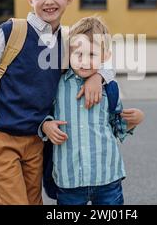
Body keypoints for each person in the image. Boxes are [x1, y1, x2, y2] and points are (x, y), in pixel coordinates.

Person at [0, 0, 115, 205]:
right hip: (1, 139)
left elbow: (104, 58)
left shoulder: (67, 39)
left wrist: (98, 76)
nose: (49, 1)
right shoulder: (11, 33)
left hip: (37, 143)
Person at [40, 16, 145, 205]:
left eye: (92, 55)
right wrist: (46, 125)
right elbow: (42, 114)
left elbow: (117, 127)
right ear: (68, 53)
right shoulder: (57, 86)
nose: (84, 61)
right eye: (78, 54)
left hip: (107, 177)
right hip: (69, 178)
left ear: (105, 57)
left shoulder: (110, 89)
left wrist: (134, 120)